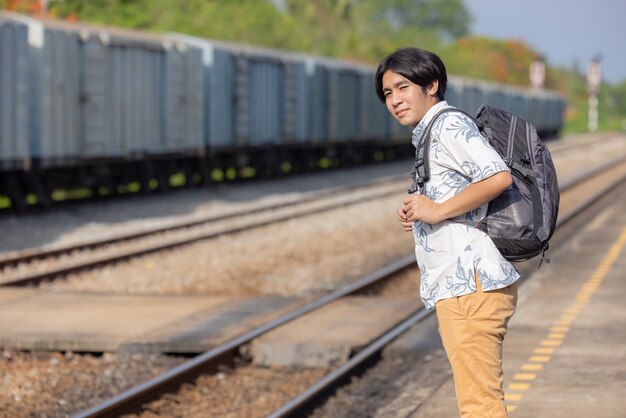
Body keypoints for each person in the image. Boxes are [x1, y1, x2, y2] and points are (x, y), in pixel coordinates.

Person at [374, 47, 520, 418]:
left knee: (480, 406)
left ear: (432, 84)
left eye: (403, 87)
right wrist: (423, 210)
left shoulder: (448, 126)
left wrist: (436, 210)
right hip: (463, 287)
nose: (395, 100)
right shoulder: (432, 131)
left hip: (470, 289)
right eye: (388, 93)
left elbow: (497, 175)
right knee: (478, 402)